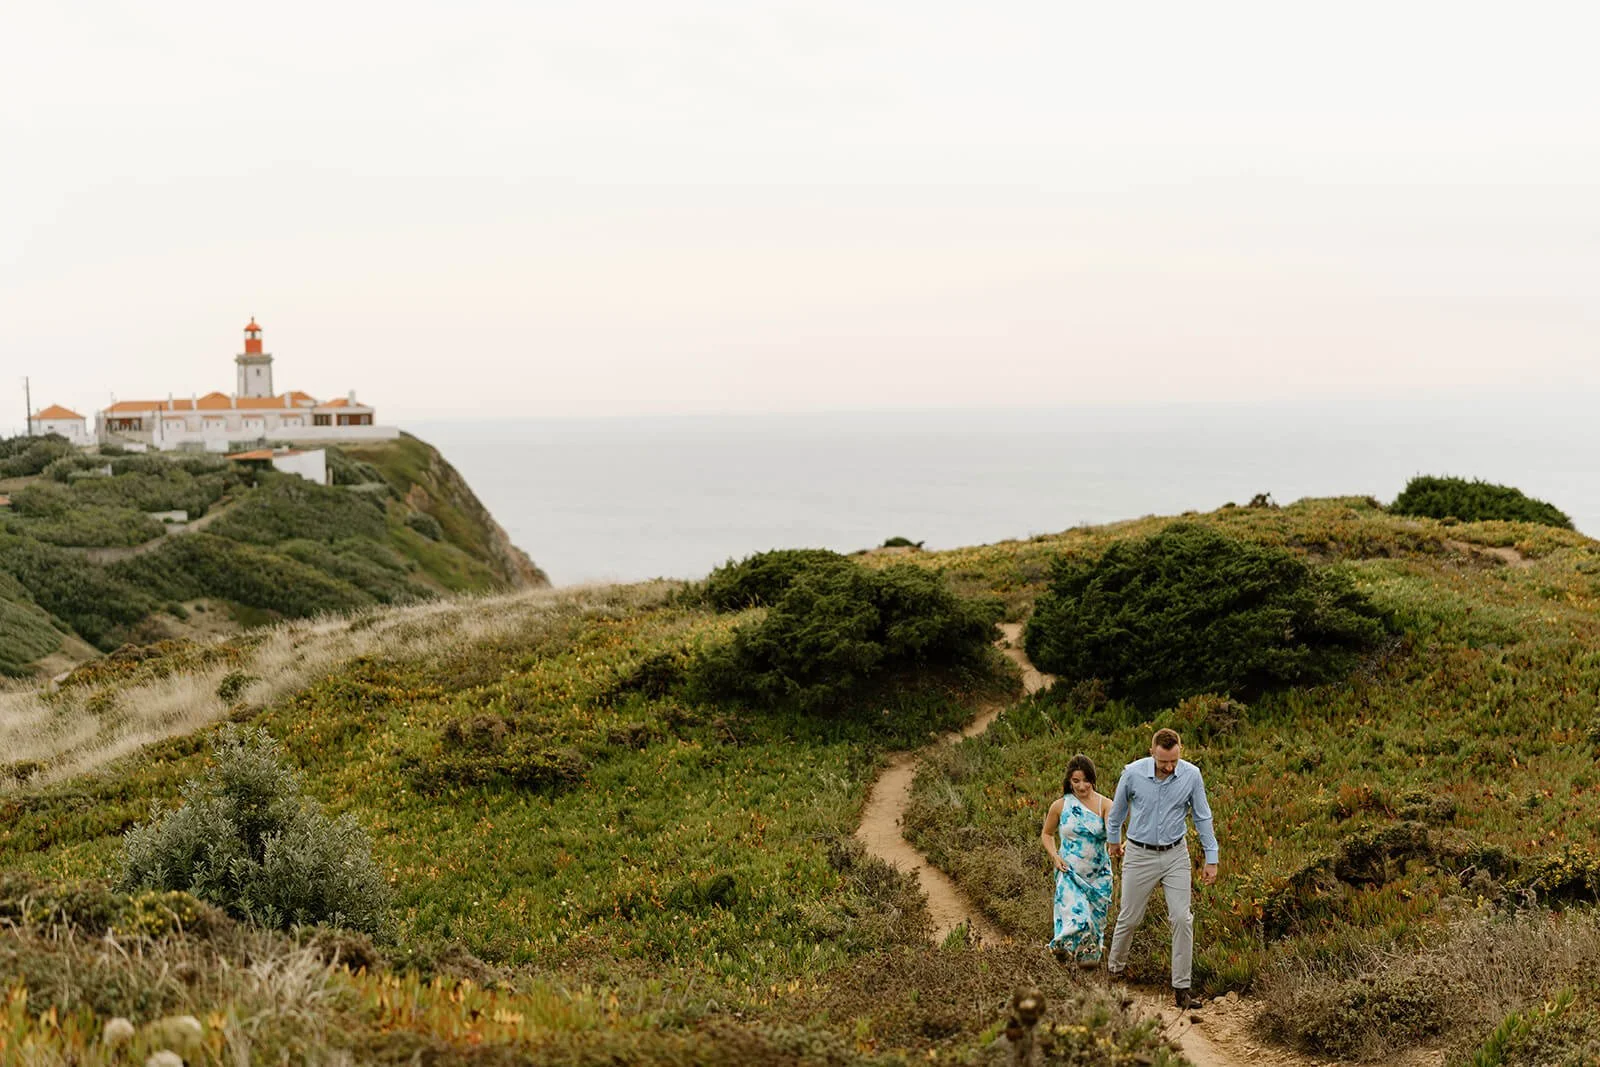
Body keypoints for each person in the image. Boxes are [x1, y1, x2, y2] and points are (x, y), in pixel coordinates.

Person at [1105, 728, 1219, 1009]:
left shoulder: (1191, 775)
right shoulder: (1131, 773)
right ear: (1152, 751)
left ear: (1180, 750)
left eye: (1173, 761)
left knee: (1182, 918)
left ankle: (1182, 989)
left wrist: (1211, 857)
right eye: (1163, 762)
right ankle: (1113, 974)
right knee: (1129, 917)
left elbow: (1202, 817)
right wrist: (1113, 842)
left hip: (1175, 854)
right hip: (1139, 853)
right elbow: (1118, 812)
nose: (1169, 767)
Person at [1039, 753, 1114, 966]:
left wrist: (1118, 844)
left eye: (1086, 780)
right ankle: (1058, 953)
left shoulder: (1105, 805)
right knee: (1077, 919)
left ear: (1093, 779)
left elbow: (1113, 833)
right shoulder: (1060, 806)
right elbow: (1046, 834)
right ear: (1069, 781)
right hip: (1069, 873)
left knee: (1094, 930)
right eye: (1076, 781)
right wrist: (1054, 856)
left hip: (1098, 877)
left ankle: (1083, 975)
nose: (1082, 786)